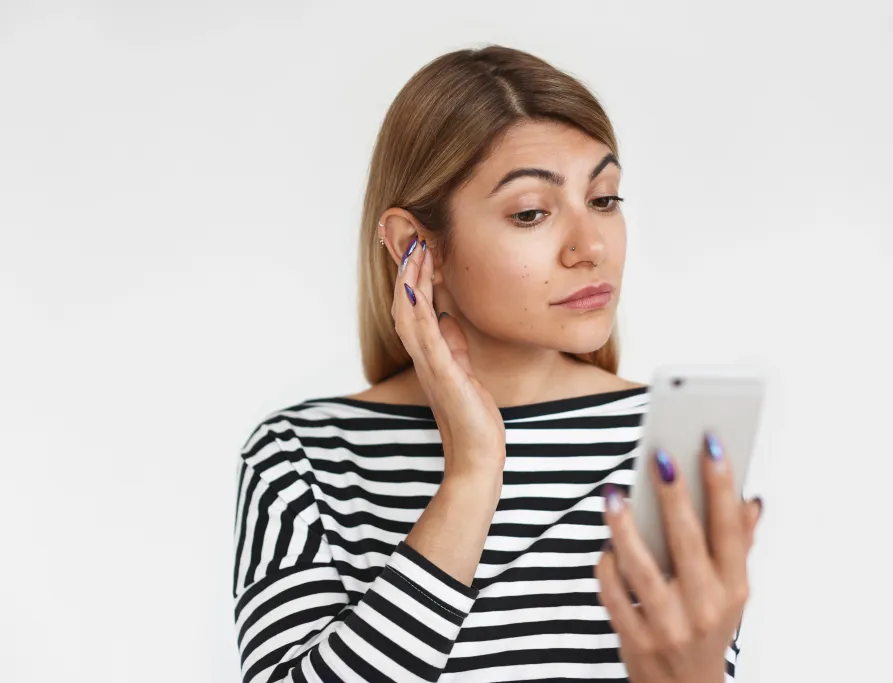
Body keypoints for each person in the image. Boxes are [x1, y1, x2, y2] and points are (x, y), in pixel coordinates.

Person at [232, 44, 763, 683]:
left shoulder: (667, 443)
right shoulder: (304, 457)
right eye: (532, 212)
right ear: (415, 246)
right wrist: (472, 473)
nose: (590, 246)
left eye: (604, 199)